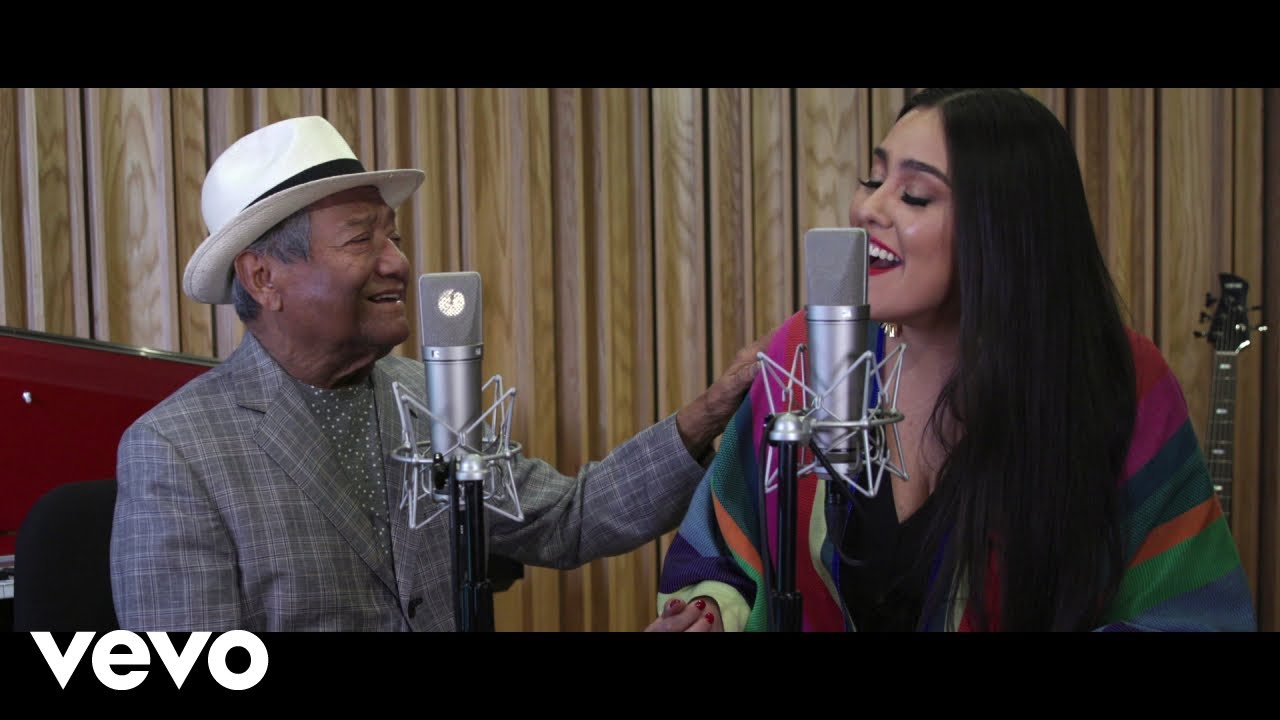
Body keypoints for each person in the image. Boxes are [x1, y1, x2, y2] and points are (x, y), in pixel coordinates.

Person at [109, 115, 769, 631]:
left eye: (393, 237)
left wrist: (709, 411)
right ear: (263, 277)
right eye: (361, 239)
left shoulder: (430, 397)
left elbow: (567, 521)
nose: (397, 263)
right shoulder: (176, 452)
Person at [647, 88, 1257, 632]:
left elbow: (1193, 611)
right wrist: (710, 615)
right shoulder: (806, 351)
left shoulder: (1115, 381)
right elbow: (722, 549)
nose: (868, 209)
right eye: (872, 179)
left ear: (1004, 229)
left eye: (914, 195)